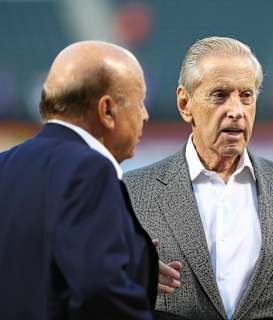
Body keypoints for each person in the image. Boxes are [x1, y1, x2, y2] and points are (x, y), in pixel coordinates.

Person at [123, 36, 273, 320]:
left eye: (246, 96)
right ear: (185, 103)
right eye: (220, 95)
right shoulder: (131, 193)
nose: (236, 111)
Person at [0, 41, 178, 319]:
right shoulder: (90, 170)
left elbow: (41, 272)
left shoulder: (6, 164)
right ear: (107, 110)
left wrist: (134, 268)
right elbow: (100, 293)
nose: (145, 115)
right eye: (139, 101)